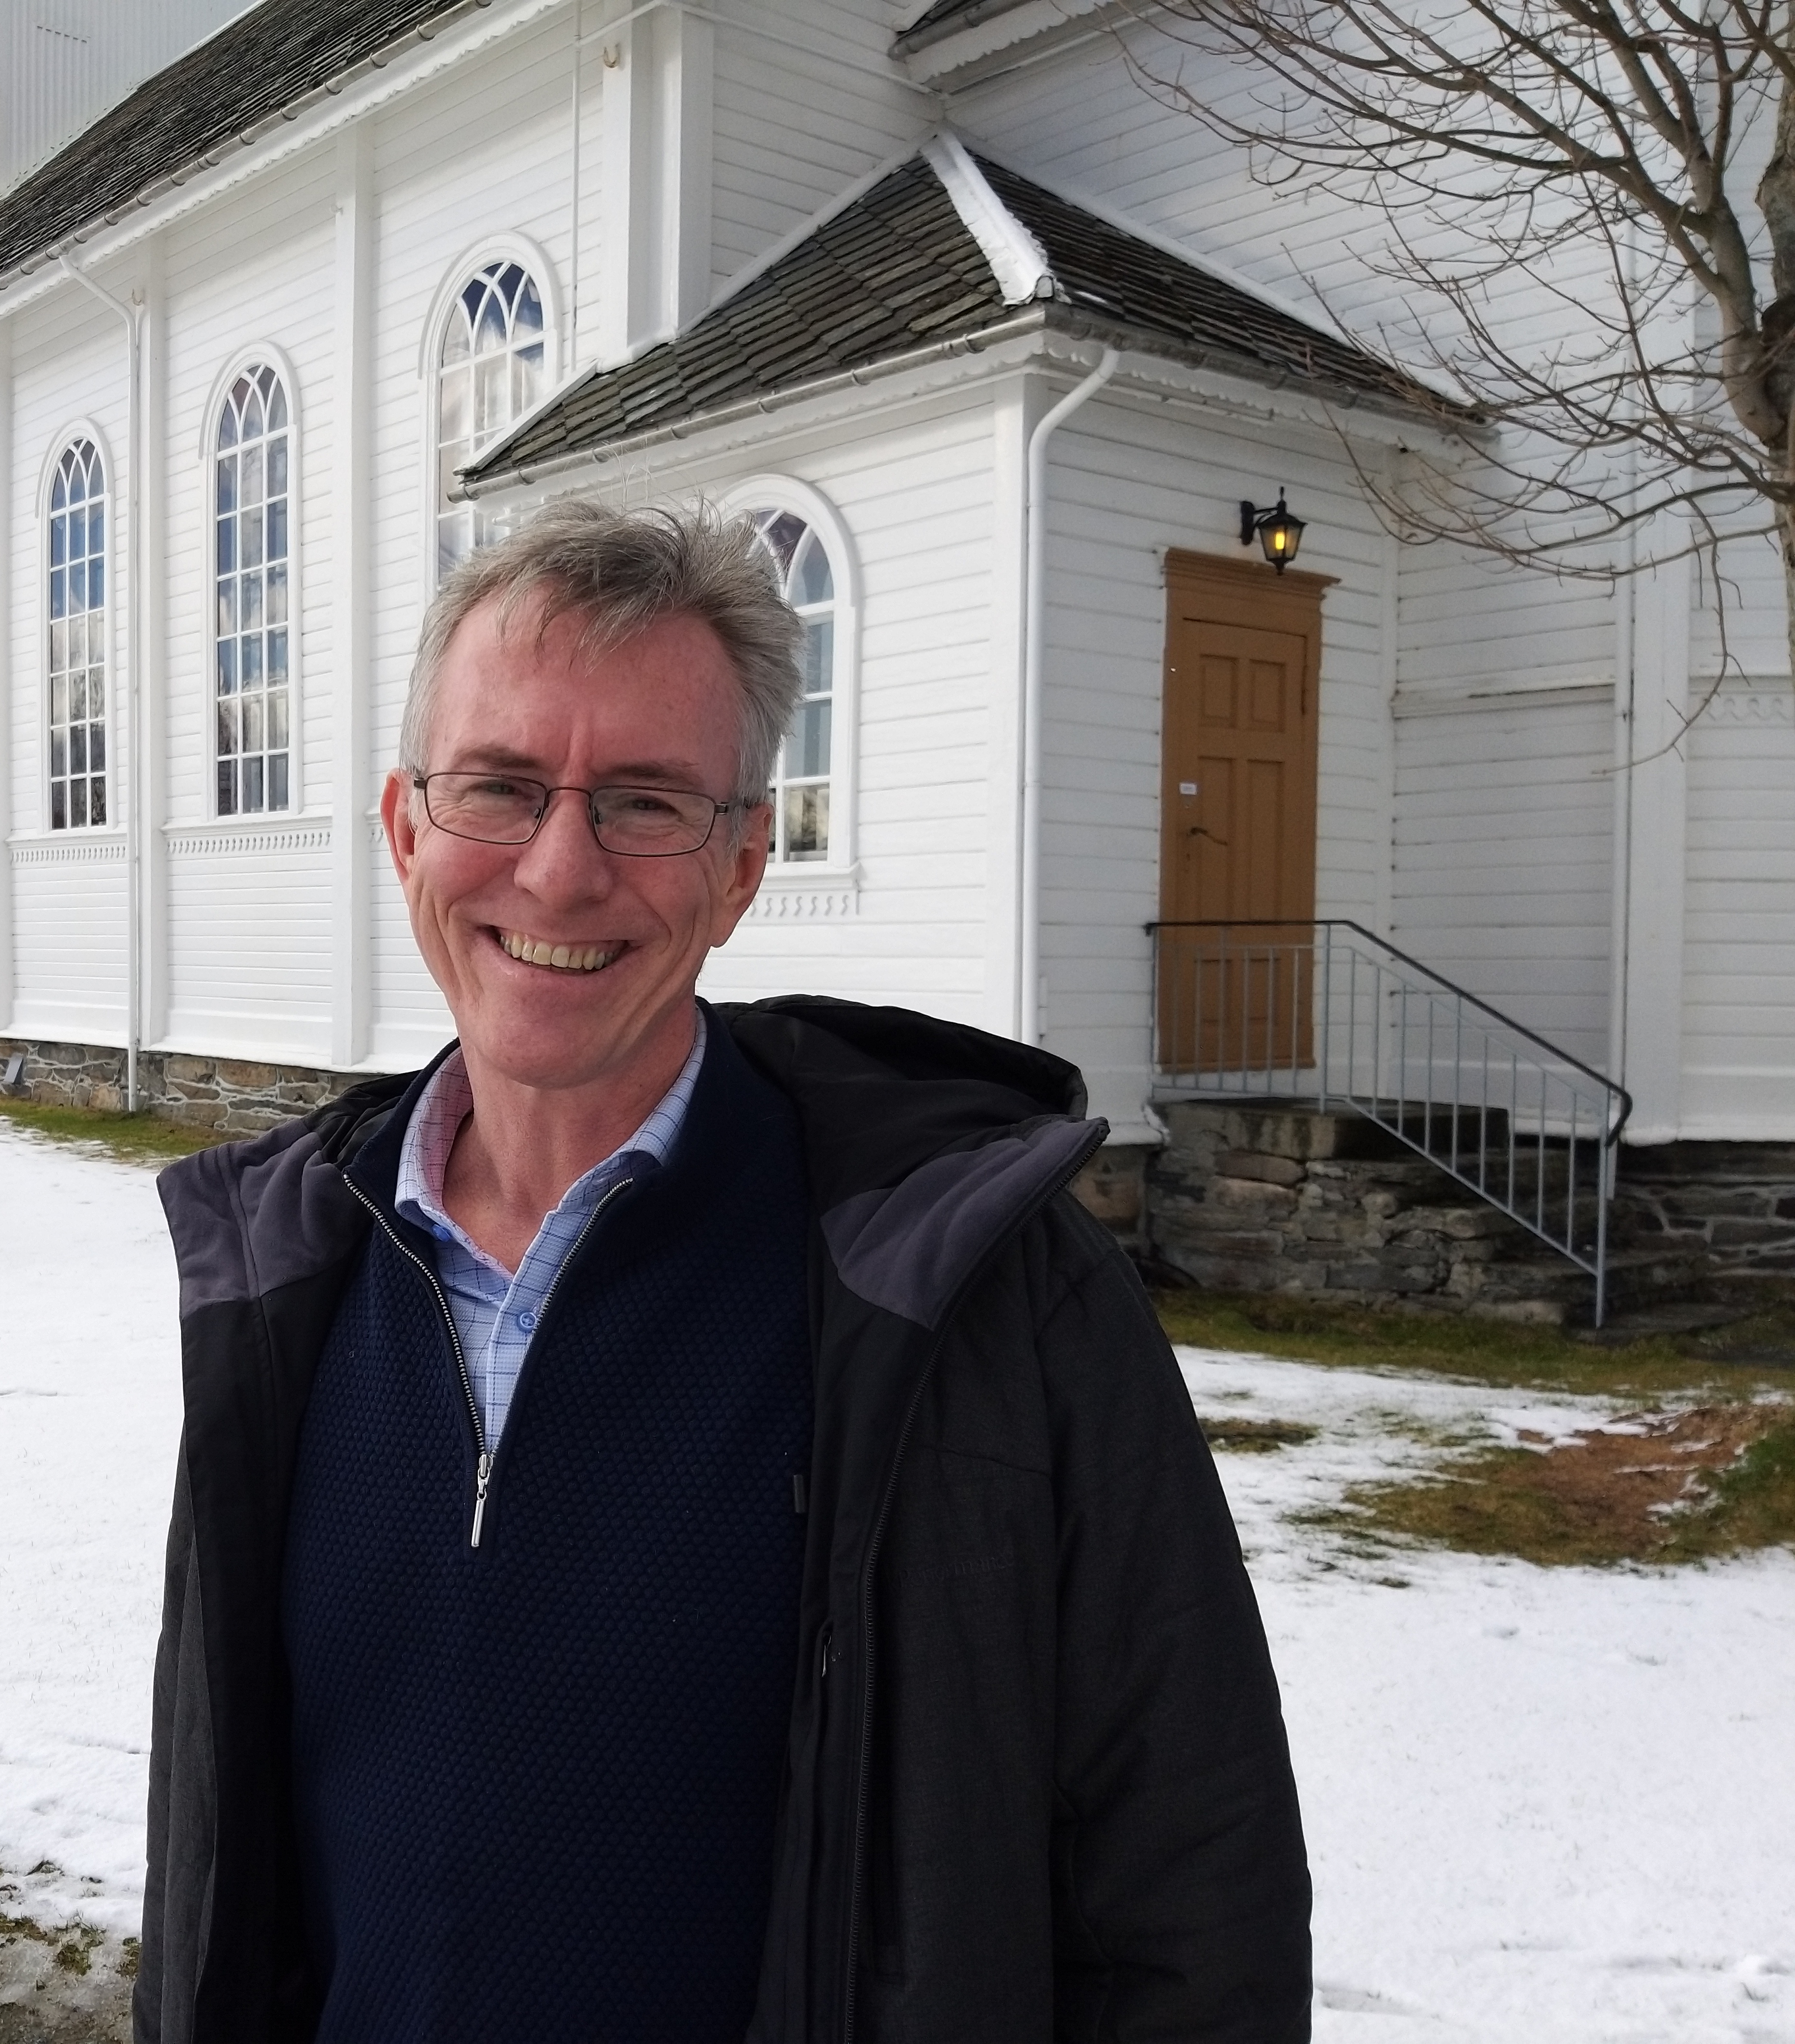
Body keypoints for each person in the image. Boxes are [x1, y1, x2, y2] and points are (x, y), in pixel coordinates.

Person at [136, 502, 1311, 2044]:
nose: (559, 873)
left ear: (745, 861)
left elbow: (1188, 1898)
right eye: (499, 787)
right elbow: (222, 1879)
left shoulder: (979, 1303)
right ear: (406, 827)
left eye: (644, 802)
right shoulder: (291, 1278)